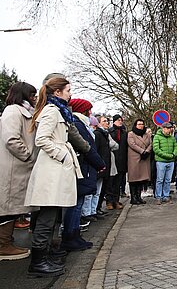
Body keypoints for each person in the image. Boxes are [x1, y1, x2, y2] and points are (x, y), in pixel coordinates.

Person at [25, 77, 82, 277]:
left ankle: (45, 256)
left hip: (55, 170)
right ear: (57, 92)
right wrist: (62, 154)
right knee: (47, 217)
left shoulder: (57, 110)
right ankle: (38, 262)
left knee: (51, 215)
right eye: (68, 90)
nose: (70, 93)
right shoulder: (51, 111)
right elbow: (42, 139)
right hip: (51, 171)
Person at [0, 82, 37, 261]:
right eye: (32, 95)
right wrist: (28, 156)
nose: (35, 98)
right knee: (8, 207)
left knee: (12, 207)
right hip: (14, 168)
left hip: (19, 168)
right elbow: (11, 139)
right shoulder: (13, 111)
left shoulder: (22, 112)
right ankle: (3, 245)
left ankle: (6, 242)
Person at [62, 98, 105, 252]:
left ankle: (74, 234)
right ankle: (70, 236)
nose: (91, 112)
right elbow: (86, 147)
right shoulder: (79, 125)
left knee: (78, 203)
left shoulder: (79, 124)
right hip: (83, 167)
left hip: (85, 167)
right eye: (89, 109)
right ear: (83, 110)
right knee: (75, 204)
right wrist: (99, 163)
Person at [93, 115, 117, 217]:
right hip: (101, 165)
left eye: (107, 121)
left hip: (106, 164)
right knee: (97, 190)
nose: (107, 123)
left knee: (102, 189)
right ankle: (94, 210)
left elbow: (115, 145)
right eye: (104, 121)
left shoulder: (105, 134)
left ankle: (97, 208)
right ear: (98, 123)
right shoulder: (98, 134)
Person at [128, 119, 153, 204]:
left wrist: (147, 151)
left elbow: (150, 144)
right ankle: (133, 198)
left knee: (141, 179)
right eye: (139, 124)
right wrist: (142, 151)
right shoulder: (131, 134)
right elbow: (132, 144)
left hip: (144, 158)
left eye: (142, 124)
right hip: (135, 158)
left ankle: (139, 197)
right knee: (134, 178)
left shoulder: (147, 134)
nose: (141, 126)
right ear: (135, 125)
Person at [152, 121, 177, 204]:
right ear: (163, 128)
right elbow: (156, 149)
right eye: (167, 128)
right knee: (160, 180)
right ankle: (158, 196)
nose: (169, 130)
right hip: (161, 161)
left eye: (170, 128)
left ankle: (165, 196)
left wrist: (174, 154)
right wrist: (168, 156)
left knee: (168, 180)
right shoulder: (157, 137)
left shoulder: (172, 138)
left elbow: (176, 147)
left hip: (171, 162)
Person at [108, 114, 127, 209]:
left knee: (118, 183)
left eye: (121, 120)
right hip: (112, 159)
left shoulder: (124, 132)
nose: (120, 121)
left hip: (122, 160)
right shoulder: (110, 131)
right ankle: (109, 201)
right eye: (118, 120)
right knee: (110, 182)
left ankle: (116, 200)